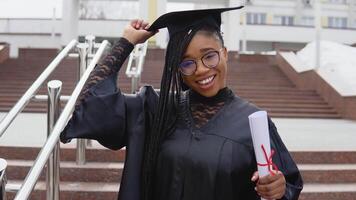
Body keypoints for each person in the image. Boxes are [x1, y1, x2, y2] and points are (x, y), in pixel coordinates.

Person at [60, 7, 303, 200]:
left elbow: (287, 185)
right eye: (187, 63)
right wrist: (125, 43)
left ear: (225, 53)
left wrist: (279, 189)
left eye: (209, 56)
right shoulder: (153, 109)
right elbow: (90, 105)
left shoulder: (252, 123)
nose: (201, 70)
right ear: (177, 69)